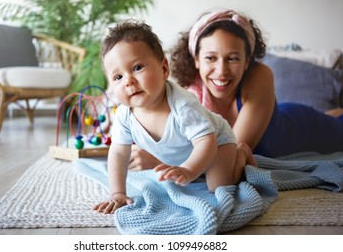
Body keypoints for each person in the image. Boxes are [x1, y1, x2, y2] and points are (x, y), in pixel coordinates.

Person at [93, 20, 256, 214]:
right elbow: (119, 153)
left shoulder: (183, 105)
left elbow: (207, 142)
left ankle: (240, 153)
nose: (129, 81)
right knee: (191, 175)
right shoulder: (124, 114)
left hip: (217, 142)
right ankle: (195, 167)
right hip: (186, 153)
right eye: (118, 77)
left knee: (218, 185)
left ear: (164, 69)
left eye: (137, 68)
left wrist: (188, 170)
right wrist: (118, 192)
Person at [168, 8, 343, 158]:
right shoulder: (188, 99)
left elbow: (231, 155)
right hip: (282, 114)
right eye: (211, 58)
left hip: (304, 128)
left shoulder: (260, 75)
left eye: (233, 58)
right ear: (196, 60)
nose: (221, 71)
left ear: (247, 61)